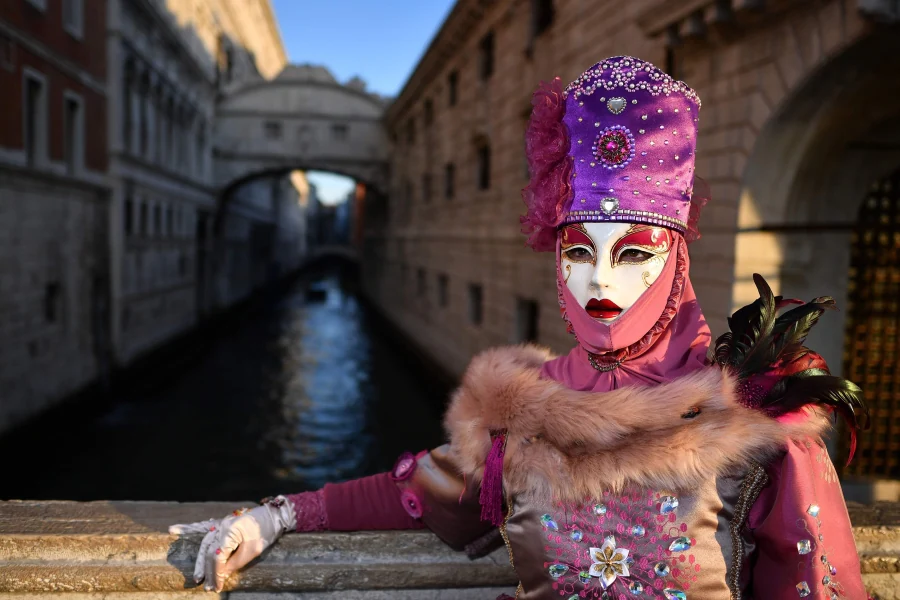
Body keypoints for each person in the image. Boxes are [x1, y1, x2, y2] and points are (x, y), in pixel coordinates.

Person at [170, 56, 869, 599]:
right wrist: (274, 517)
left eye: (632, 254)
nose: (599, 281)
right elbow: (417, 496)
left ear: (676, 262)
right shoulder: (515, 418)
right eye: (577, 252)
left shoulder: (758, 421)